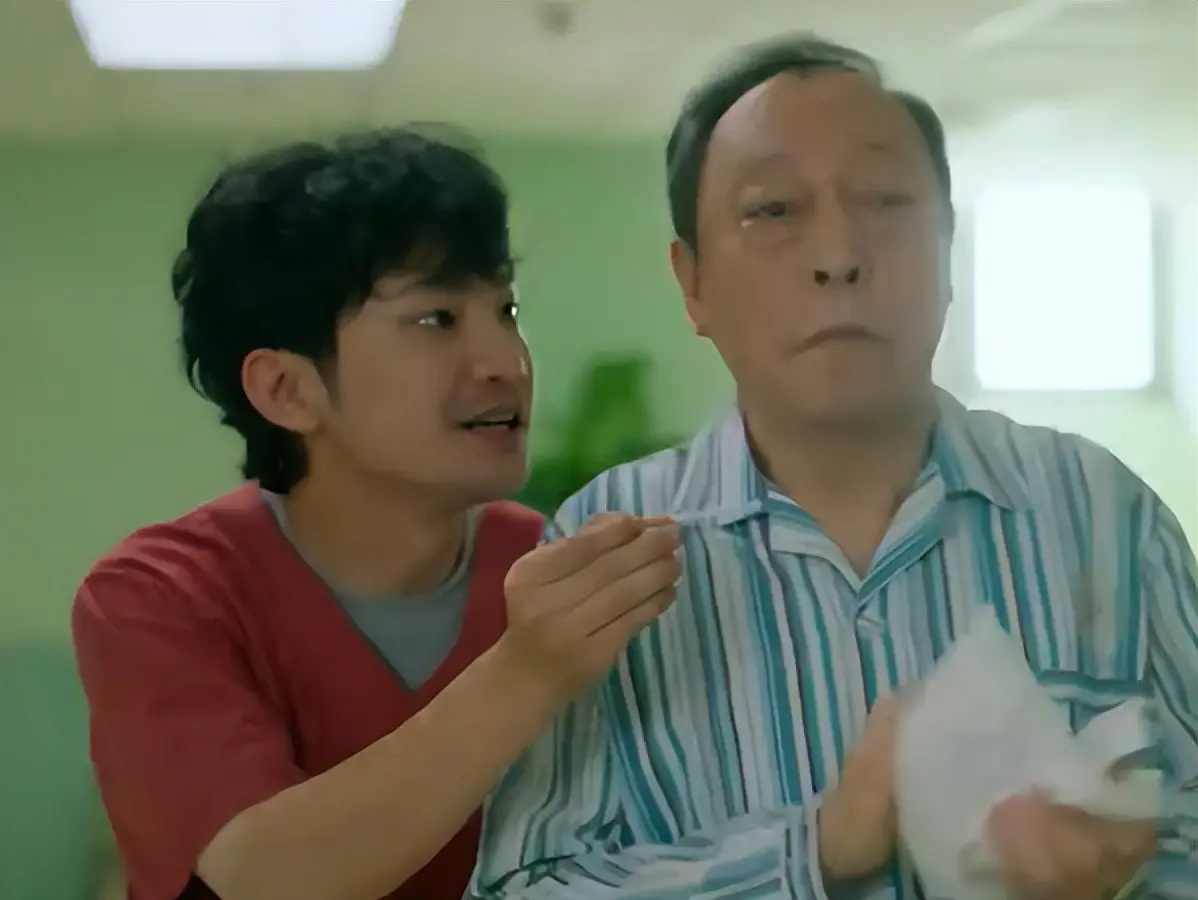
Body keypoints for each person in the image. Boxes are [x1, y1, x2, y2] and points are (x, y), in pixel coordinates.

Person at [470, 34, 1198, 900]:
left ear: (948, 254)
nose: (839, 255)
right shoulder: (607, 552)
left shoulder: (1104, 513)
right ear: (692, 284)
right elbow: (527, 885)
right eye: (774, 210)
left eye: (887, 200)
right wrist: (812, 851)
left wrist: (1123, 880)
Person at [71, 128, 681, 900]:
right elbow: (257, 878)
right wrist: (526, 672)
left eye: (506, 308)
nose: (508, 361)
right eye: (436, 319)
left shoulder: (566, 570)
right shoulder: (159, 595)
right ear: (287, 390)